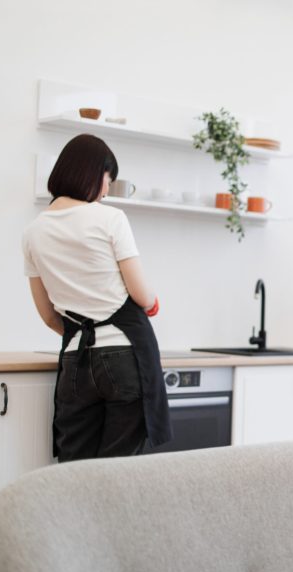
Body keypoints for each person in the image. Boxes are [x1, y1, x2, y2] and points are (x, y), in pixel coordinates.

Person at [22, 134, 171, 462]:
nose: (106, 190)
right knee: (117, 474)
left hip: (76, 362)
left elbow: (48, 315)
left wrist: (82, 332)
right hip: (124, 356)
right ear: (92, 173)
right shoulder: (110, 218)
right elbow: (141, 293)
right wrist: (153, 301)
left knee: (75, 471)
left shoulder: (33, 232)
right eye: (107, 180)